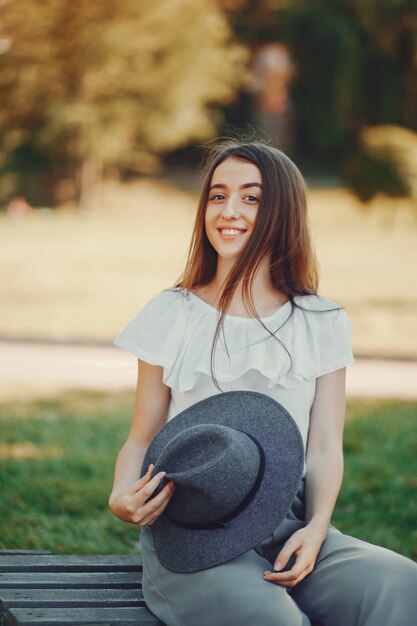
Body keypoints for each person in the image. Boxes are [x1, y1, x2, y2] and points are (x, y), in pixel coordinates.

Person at [109, 140, 417, 626]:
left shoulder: (322, 320)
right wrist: (121, 493)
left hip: (289, 522)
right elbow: (142, 436)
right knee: (274, 620)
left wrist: (316, 530)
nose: (229, 211)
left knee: (401, 584)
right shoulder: (171, 313)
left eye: (251, 198)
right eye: (217, 195)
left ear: (283, 212)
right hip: (192, 531)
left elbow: (323, 447)